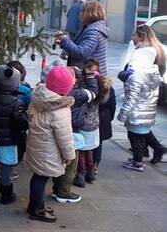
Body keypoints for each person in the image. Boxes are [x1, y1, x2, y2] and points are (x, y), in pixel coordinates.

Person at [26, 66, 76, 223]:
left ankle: (35, 204)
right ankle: (36, 210)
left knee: (37, 176)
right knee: (41, 178)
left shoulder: (37, 97)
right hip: (49, 151)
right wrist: (69, 156)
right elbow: (65, 137)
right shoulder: (60, 110)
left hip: (37, 145)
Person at [117, 25, 165, 172]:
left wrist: (123, 113)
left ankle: (139, 161)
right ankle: (156, 149)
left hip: (139, 105)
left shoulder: (140, 62)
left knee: (136, 133)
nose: (132, 37)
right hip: (146, 103)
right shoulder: (153, 59)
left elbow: (133, 93)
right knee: (142, 129)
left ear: (142, 37)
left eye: (134, 35)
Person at [51, 66, 97, 201]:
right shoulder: (79, 93)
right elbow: (94, 92)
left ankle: (56, 188)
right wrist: (90, 76)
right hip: (72, 132)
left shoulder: (56, 90)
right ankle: (64, 192)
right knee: (70, 165)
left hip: (57, 130)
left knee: (59, 162)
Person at [0, 65, 28, 205]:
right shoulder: (17, 102)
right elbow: (22, 123)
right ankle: (6, 194)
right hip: (9, 142)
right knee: (6, 168)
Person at [74, 59, 112, 186]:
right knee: (90, 150)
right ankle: (90, 173)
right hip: (94, 124)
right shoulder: (102, 90)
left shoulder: (85, 90)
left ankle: (81, 174)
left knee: (81, 152)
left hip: (83, 124)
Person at [57, 0, 109, 75]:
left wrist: (65, 40)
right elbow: (80, 46)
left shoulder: (93, 31)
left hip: (90, 75)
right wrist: (63, 42)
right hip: (89, 72)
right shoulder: (88, 27)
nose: (79, 15)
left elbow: (82, 53)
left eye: (82, 12)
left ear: (89, 14)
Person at [7, 60, 31, 162]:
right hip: (19, 123)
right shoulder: (25, 90)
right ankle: (13, 163)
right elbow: (30, 107)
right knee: (20, 144)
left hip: (1, 122)